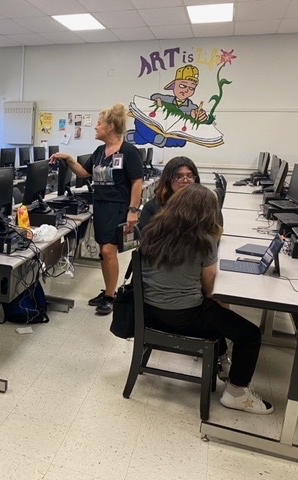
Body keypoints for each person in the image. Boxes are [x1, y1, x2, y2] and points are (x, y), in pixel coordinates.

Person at [140, 184, 272, 414]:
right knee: (249, 335)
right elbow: (210, 288)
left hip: (150, 311)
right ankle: (237, 393)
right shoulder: (204, 241)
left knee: (219, 315)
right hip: (184, 316)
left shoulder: (152, 230)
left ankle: (221, 357)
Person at [50, 103, 144, 315]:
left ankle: (111, 297)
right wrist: (69, 159)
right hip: (101, 207)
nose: (96, 127)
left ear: (110, 126)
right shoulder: (100, 151)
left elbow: (137, 182)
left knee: (108, 251)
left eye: (99, 123)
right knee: (104, 253)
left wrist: (133, 210)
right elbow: (84, 173)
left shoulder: (128, 151)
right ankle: (108, 290)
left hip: (119, 207)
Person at [138, 156, 200, 230]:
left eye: (190, 176)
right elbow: (147, 237)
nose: (185, 180)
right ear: (168, 179)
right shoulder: (152, 207)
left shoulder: (202, 205)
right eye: (178, 176)